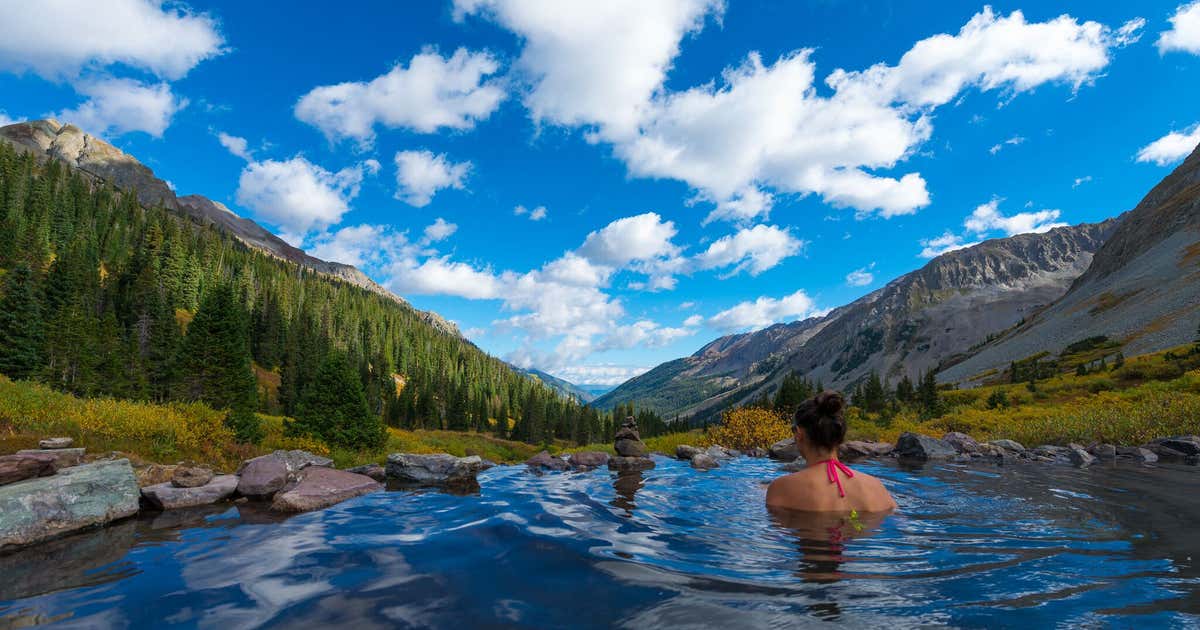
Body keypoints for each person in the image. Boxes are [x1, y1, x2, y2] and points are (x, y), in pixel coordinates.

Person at [766, 391, 897, 513]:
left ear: (799, 434)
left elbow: (776, 534)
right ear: (839, 435)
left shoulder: (781, 489)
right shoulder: (877, 488)